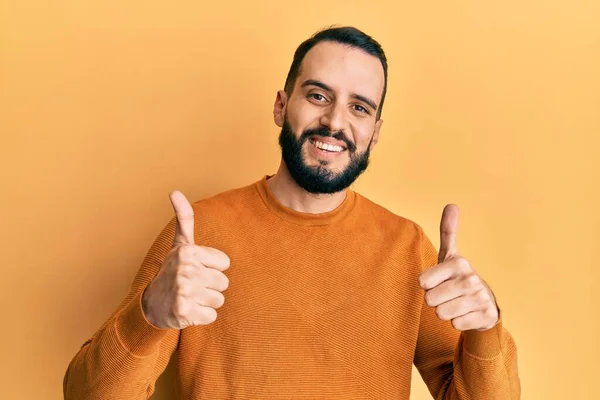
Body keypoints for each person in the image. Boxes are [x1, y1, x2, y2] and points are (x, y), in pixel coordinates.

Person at [63, 26, 520, 399]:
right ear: (282, 106)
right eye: (318, 96)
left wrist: (486, 329)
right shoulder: (196, 236)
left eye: (358, 107)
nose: (336, 122)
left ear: (374, 133)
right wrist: (150, 316)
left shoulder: (408, 248)